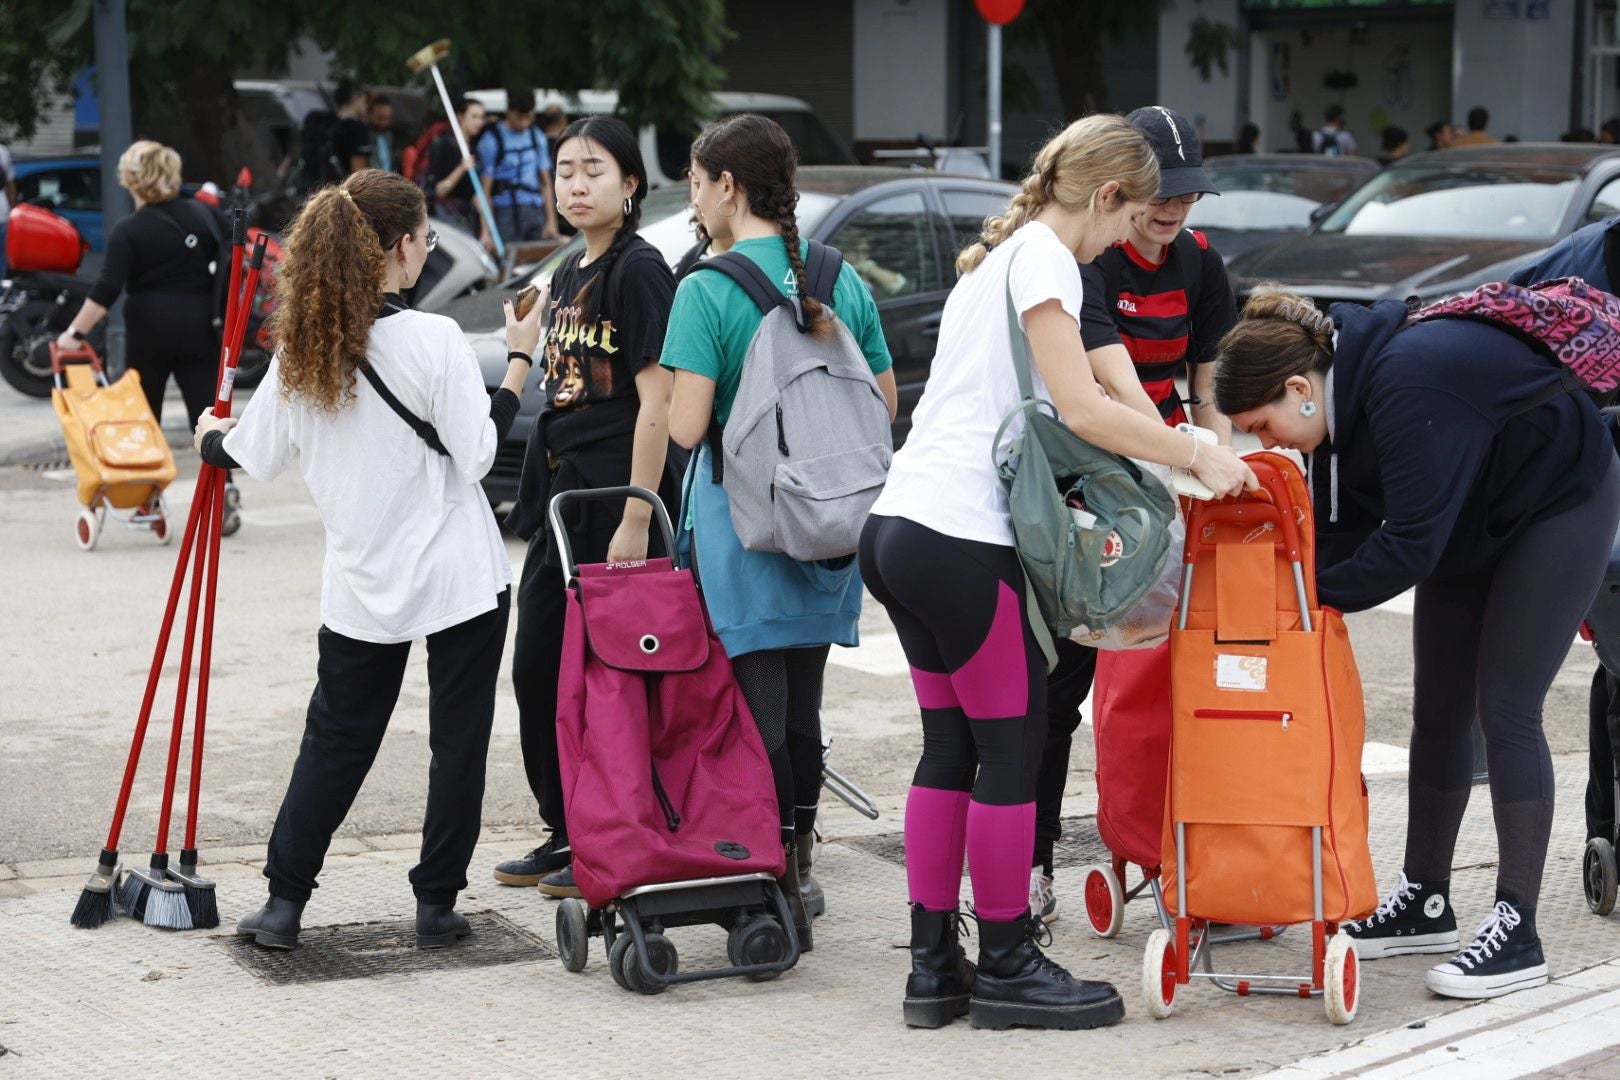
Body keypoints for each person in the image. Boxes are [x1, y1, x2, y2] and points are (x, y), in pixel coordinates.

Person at [860, 113, 1253, 1032]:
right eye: (1132, 214)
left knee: (950, 749)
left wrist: (1177, 441)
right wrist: (1196, 454)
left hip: (901, 526)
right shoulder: (1046, 258)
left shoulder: (994, 262)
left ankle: (933, 970)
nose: (1133, 235)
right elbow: (1080, 409)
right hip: (962, 538)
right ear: (1106, 195)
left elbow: (1085, 392)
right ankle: (1005, 963)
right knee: (1010, 749)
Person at [1214, 287, 1620, 1000]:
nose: (1265, 442)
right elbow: (1333, 545)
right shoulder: (1327, 428)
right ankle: (1425, 900)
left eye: (1263, 424)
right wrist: (1281, 587)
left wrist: (1294, 598)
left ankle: (1518, 930)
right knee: (1438, 709)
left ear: (1300, 389)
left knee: (1508, 707)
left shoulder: (1406, 380)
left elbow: (1404, 550)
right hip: (1471, 513)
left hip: (1560, 503)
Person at [193, 169, 541, 950]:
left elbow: (253, 453)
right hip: (459, 576)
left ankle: (283, 905)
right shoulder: (435, 340)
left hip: (360, 584)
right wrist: (518, 361)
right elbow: (479, 454)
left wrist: (211, 440)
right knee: (458, 743)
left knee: (337, 739)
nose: (424, 252)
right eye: (422, 238)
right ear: (398, 248)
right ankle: (436, 905)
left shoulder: (303, 351)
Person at [664, 113, 899, 951]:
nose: (694, 202)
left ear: (728, 187)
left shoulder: (705, 288)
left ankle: (768, 884)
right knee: (802, 707)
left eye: (696, 184)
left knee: (757, 717)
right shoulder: (841, 277)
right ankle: (797, 862)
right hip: (832, 524)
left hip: (749, 531)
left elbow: (687, 428)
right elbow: (885, 403)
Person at [1029, 104, 1240, 924]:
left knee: (1190, 680)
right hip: (1089, 497)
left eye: (1188, 195)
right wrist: (1185, 457)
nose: (1173, 210)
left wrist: (1215, 460)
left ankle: (1198, 858)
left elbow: (1211, 372)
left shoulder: (1198, 264)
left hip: (1173, 489)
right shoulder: (1086, 260)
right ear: (1122, 189)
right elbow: (1107, 384)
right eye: (1162, 193)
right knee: (1058, 691)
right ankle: (1035, 864)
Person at [490, 117, 680, 899]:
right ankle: (566, 827)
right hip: (562, 505)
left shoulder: (641, 272)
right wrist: (522, 348)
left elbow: (657, 402)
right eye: (564, 170)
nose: (575, 184)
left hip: (614, 503)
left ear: (630, 185)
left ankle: (606, 835)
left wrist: (638, 515)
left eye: (593, 170)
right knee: (540, 670)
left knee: (607, 681)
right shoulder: (568, 269)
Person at [52, 141, 245, 534]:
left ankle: (146, 499)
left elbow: (106, 290)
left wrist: (73, 334)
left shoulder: (129, 231)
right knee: (207, 413)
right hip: (200, 325)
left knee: (144, 417)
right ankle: (221, 492)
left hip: (148, 328)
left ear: (132, 180)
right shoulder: (203, 216)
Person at [478, 88, 560, 246]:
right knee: (510, 264)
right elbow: (485, 191)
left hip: (535, 210)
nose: (524, 122)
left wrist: (551, 222)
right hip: (505, 213)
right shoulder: (491, 140)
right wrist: (486, 230)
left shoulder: (537, 137)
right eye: (519, 117)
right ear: (509, 111)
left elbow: (545, 182)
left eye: (528, 117)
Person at [427, 95, 487, 237]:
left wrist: (485, 229)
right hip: (446, 218)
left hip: (467, 218)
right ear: (460, 116)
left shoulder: (473, 148)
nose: (479, 122)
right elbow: (439, 191)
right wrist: (461, 168)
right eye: (474, 116)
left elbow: (476, 194)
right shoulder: (445, 145)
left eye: (481, 117)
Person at [368, 94, 396, 173]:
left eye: (387, 119)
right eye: (380, 118)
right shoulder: (364, 136)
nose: (384, 123)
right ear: (370, 115)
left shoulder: (389, 135)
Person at [0, 138, 14, 280]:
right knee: (2, 258)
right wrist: (12, 210)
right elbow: (10, 185)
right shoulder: (3, 152)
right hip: (3, 213)